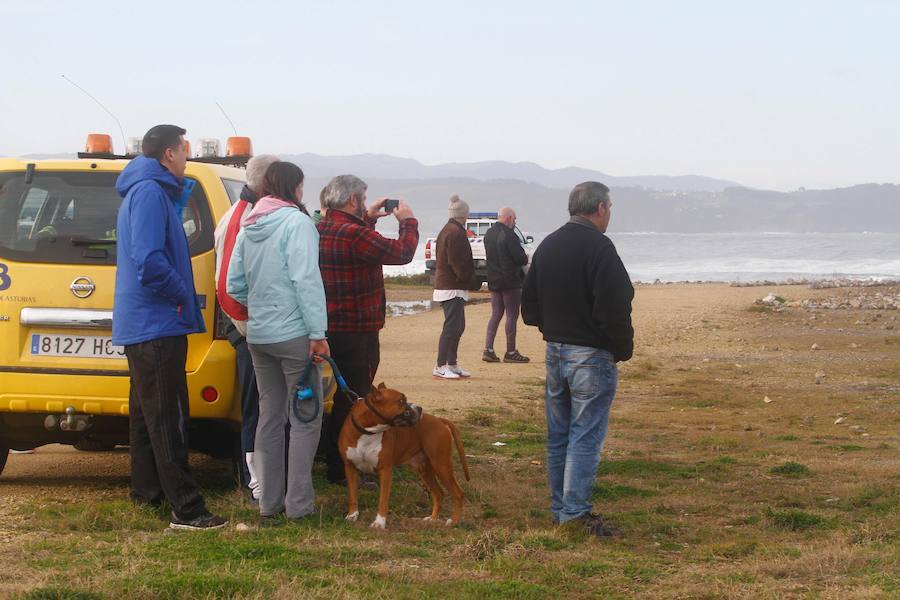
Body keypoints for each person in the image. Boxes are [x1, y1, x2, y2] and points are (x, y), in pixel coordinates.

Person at [113, 124, 226, 530]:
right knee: (168, 417)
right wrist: (183, 293)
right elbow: (148, 260)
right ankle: (188, 509)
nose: (187, 157)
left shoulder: (153, 191)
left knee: (146, 416)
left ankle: (148, 494)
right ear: (168, 155)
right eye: (185, 150)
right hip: (156, 322)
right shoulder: (147, 193)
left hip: (149, 322)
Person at [521, 181, 634, 538]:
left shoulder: (549, 245)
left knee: (559, 435)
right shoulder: (599, 247)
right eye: (610, 208)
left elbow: (529, 306)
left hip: (556, 350)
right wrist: (620, 348)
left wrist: (552, 329)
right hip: (590, 353)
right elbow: (615, 304)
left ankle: (563, 509)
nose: (609, 214)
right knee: (584, 435)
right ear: (600, 208)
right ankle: (574, 514)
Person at [227, 161, 329, 521]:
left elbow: (233, 284)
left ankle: (269, 503)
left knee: (269, 416)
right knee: (305, 416)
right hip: (294, 335)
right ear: (294, 188)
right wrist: (318, 334)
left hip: (259, 336)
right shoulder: (297, 223)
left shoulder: (249, 222)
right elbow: (306, 281)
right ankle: (299, 506)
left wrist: (259, 306)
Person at [317, 174, 418, 485]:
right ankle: (342, 467)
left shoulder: (320, 228)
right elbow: (402, 253)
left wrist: (368, 221)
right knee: (355, 399)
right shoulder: (353, 234)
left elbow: (361, 250)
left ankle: (334, 460)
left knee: (334, 398)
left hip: (325, 327)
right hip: (358, 329)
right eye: (362, 199)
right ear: (352, 201)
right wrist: (408, 221)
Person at [214, 153, 279, 503]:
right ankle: (255, 484)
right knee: (257, 406)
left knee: (264, 405)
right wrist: (250, 329)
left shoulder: (250, 213)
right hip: (250, 328)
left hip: (255, 326)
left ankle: (265, 479)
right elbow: (228, 285)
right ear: (269, 181)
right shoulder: (241, 219)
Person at [432, 195, 480, 380]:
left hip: (450, 285)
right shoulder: (455, 232)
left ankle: (451, 363)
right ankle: (441, 365)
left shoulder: (449, 229)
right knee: (452, 327)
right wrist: (471, 281)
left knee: (458, 326)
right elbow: (458, 262)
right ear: (464, 214)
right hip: (451, 286)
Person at [482, 206, 530, 364]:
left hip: (494, 280)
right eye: (514, 219)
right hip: (510, 281)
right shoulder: (510, 235)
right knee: (511, 315)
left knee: (496, 314)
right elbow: (520, 258)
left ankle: (488, 349)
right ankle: (511, 351)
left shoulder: (489, 233)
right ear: (508, 217)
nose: (515, 222)